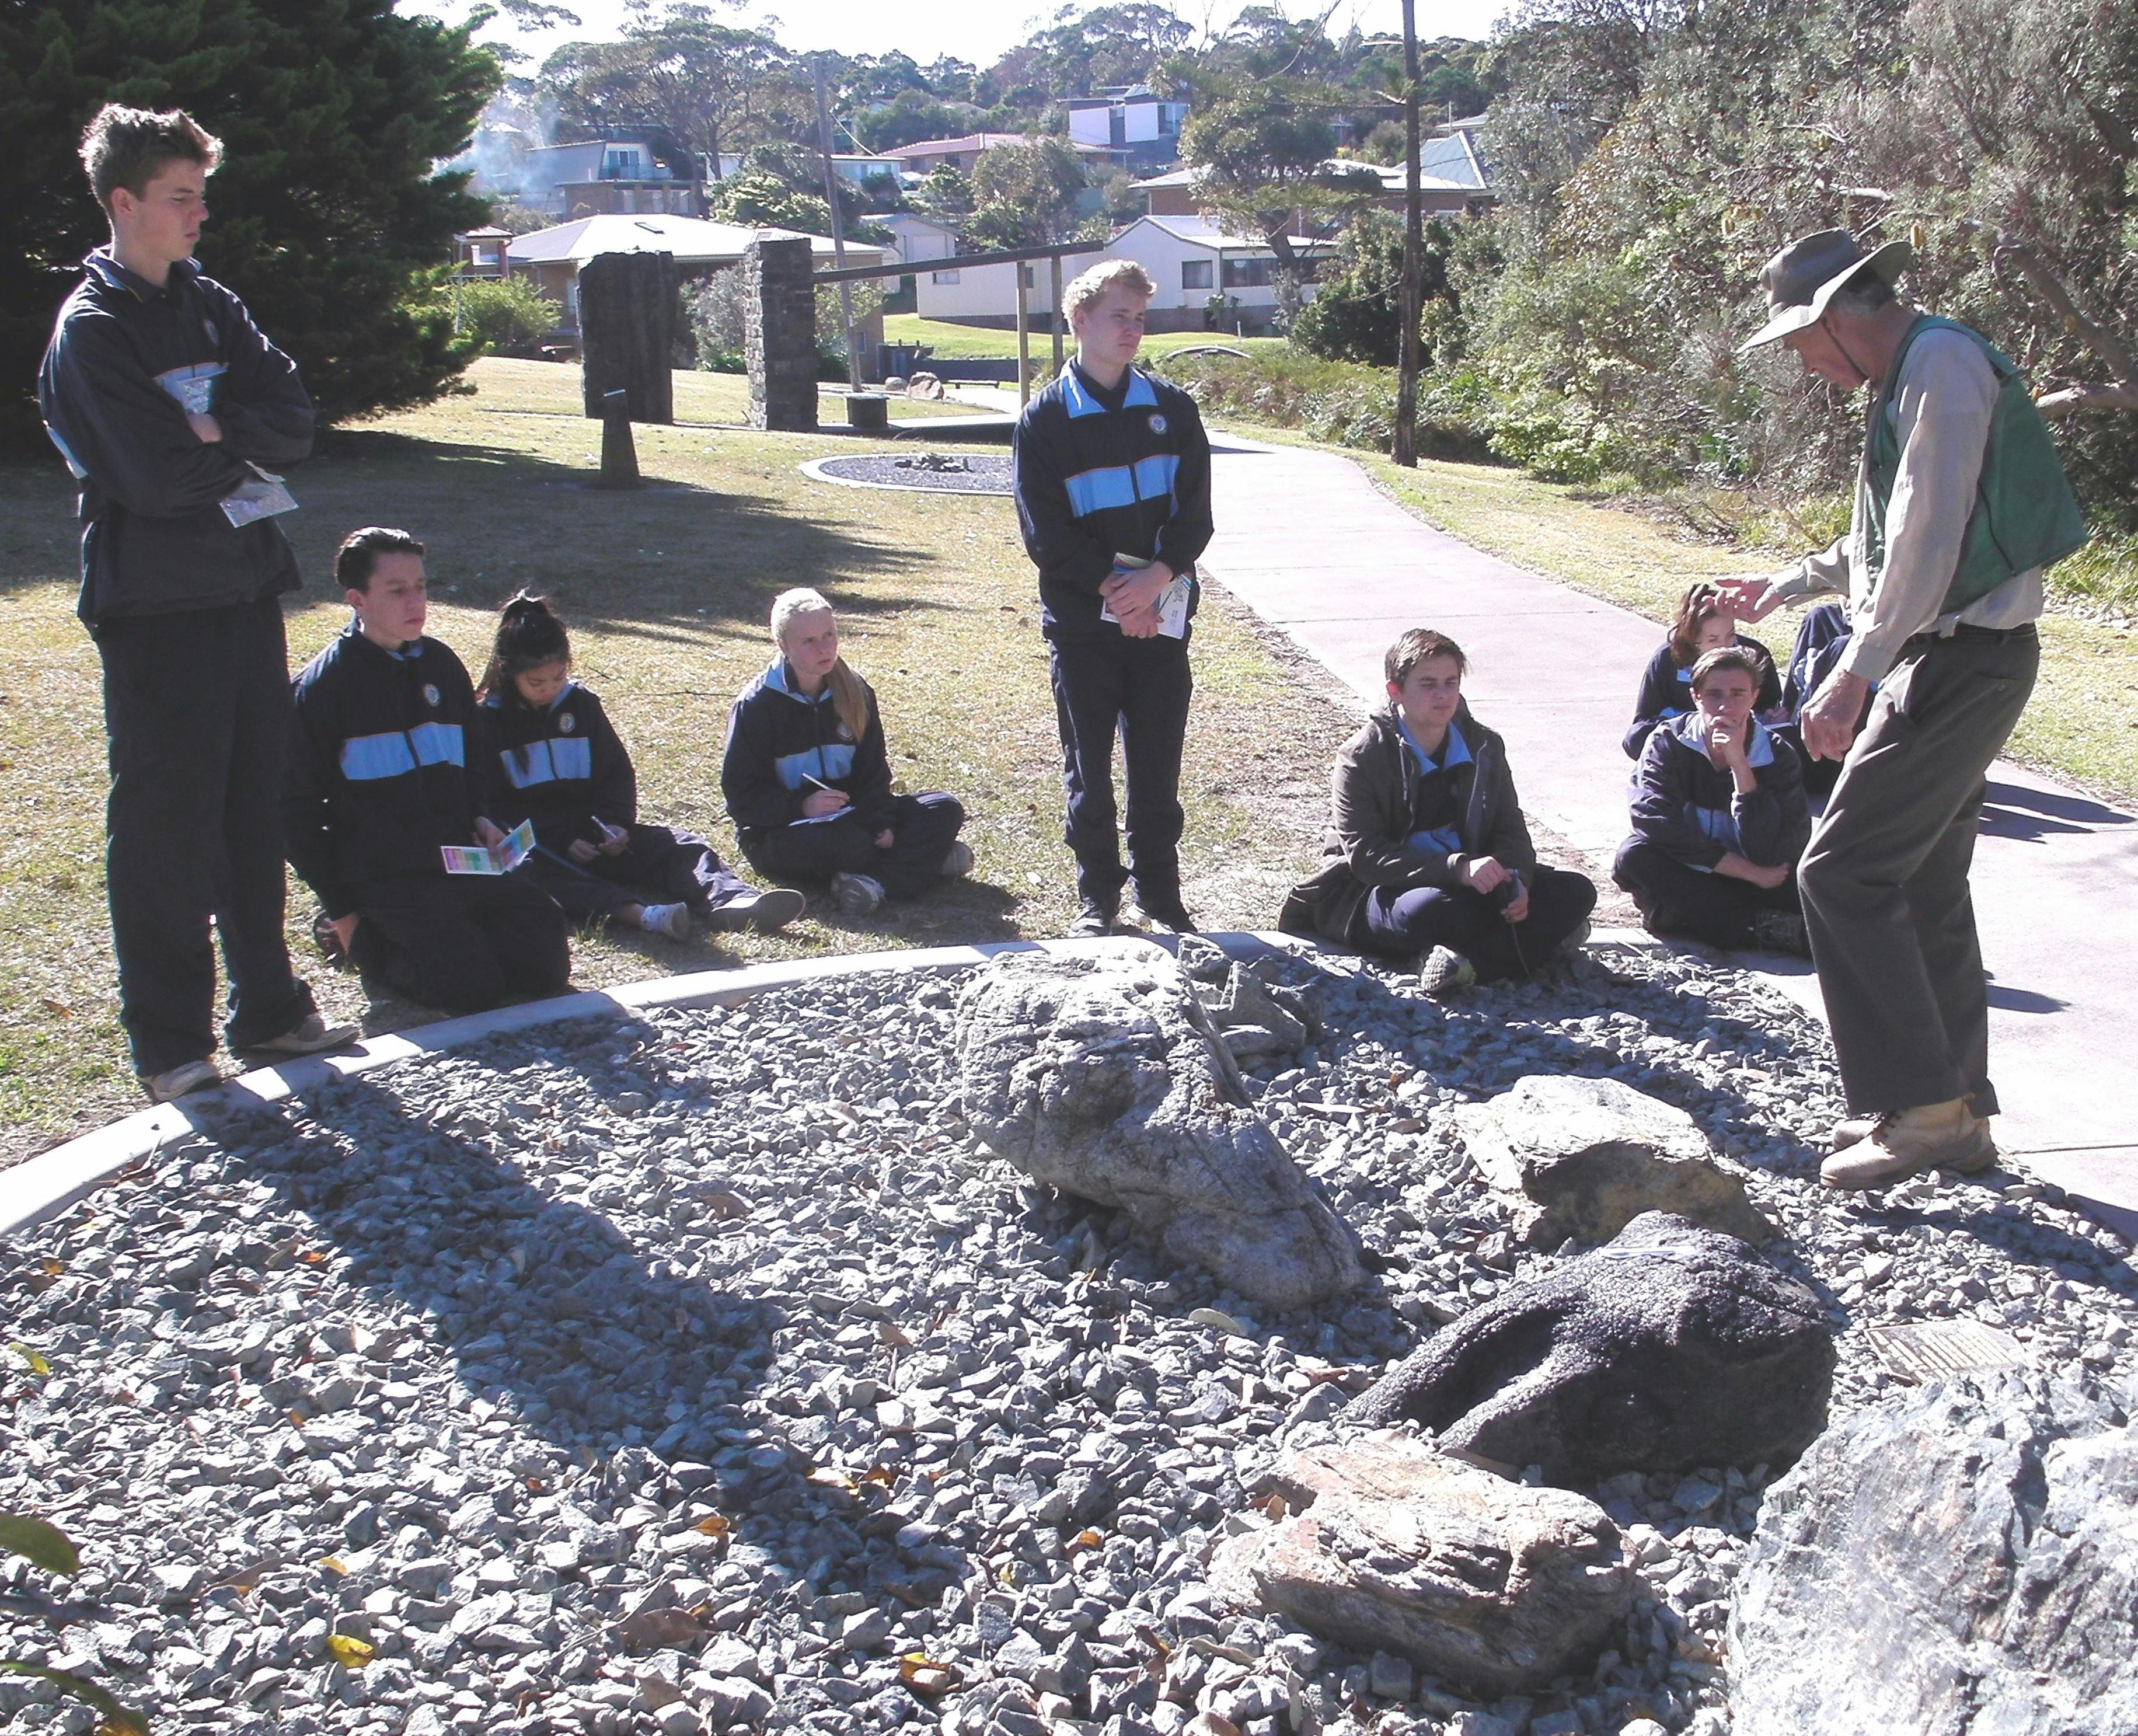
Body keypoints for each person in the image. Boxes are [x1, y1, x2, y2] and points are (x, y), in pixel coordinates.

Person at [1722, 228, 2088, 1188]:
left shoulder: (1942, 365)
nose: (1799, 359)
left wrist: (1855, 666)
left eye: (1799, 338)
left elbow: (1926, 541)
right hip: (1947, 654)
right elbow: (1884, 536)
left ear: (1838, 318)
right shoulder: (1906, 375)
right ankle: (1955, 1112)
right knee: (1919, 881)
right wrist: (1787, 583)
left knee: (1840, 875)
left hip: (1958, 660)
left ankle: (1920, 1108)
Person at [37, 103, 353, 1100]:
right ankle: (171, 1040)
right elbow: (153, 479)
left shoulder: (212, 304)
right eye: (180, 197)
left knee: (249, 804)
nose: (199, 214)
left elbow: (295, 420)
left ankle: (271, 1008)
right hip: (155, 607)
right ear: (124, 202)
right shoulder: (91, 333)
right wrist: (223, 437)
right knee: (168, 822)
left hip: (245, 585)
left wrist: (215, 431)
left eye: (201, 194)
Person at [285, 528, 571, 1014]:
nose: (415, 601)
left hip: (461, 860)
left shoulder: (440, 664)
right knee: (467, 990)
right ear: (357, 599)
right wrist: (343, 909)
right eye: (396, 590)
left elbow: (475, 764)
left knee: (543, 968)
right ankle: (352, 938)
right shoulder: (321, 688)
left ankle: (458, 937)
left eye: (420, 586)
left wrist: (482, 818)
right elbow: (294, 813)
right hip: (388, 874)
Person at [1012, 259, 1213, 936]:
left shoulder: (1172, 408)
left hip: (1163, 620)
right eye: (1117, 317)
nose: (1131, 331)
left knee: (1157, 770)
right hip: (1082, 629)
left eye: (1139, 318)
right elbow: (1047, 535)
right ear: (1078, 321)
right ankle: (1097, 899)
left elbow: (1196, 518)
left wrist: (1155, 582)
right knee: (1089, 772)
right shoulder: (1044, 421)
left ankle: (1162, 895)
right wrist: (1112, 590)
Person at [1280, 629, 1596, 992]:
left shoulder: (1485, 746)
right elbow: (1367, 859)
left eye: (1451, 682)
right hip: (1383, 891)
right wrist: (1458, 870)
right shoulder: (1362, 756)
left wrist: (1517, 879)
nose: (1443, 695)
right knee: (1430, 912)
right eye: (1428, 684)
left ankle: (1467, 966)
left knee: (1576, 891)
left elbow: (1510, 827)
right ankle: (1532, 943)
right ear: (1395, 690)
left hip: (1472, 883)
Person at [474, 593, 803, 942]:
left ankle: (732, 901)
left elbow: (615, 776)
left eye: (558, 678)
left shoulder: (581, 705)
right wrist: (560, 836)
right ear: (510, 674)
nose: (550, 691)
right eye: (536, 684)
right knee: (526, 869)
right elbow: (494, 804)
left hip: (594, 837)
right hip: (541, 844)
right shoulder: (486, 720)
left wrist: (615, 825)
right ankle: (641, 915)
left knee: (680, 845)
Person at [721, 588, 969, 918]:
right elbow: (741, 799)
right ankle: (924, 864)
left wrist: (880, 821)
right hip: (784, 831)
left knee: (943, 808)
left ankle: (872, 882)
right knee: (847, 842)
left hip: (852, 816)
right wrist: (801, 806)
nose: (825, 648)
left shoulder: (856, 691)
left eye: (830, 635)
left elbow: (873, 773)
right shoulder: (757, 706)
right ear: (783, 646)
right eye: (808, 641)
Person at [1614, 645, 1813, 955]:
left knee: (1802, 879)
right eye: (1714, 695)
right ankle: (1757, 928)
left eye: (1737, 694)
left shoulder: (1779, 755)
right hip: (1699, 872)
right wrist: (1749, 873)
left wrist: (1741, 768)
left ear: (1754, 696)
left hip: (1759, 877)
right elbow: (1653, 822)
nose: (1725, 706)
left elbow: (1778, 850)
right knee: (1634, 855)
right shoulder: (1667, 742)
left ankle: (1686, 917)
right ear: (1696, 696)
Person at [1623, 583, 1781, 759]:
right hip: (1683, 744)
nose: (1725, 647)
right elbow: (1643, 722)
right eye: (1713, 640)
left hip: (1743, 743)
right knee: (1636, 740)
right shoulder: (1668, 658)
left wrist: (1769, 716)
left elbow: (1772, 709)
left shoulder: (1756, 655)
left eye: (1730, 635)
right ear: (1692, 640)